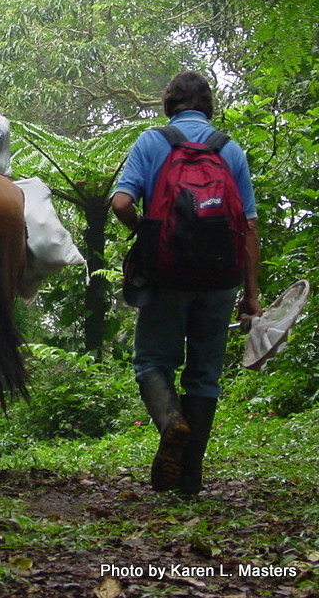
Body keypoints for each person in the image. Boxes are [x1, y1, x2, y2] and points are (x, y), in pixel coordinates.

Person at [110, 71, 261, 495]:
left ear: (169, 105)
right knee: (205, 374)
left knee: (152, 362)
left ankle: (171, 422)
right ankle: (190, 478)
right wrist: (250, 295)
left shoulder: (153, 142)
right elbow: (248, 227)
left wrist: (144, 230)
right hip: (220, 278)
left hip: (166, 273)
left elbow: (121, 201)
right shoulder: (229, 149)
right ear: (208, 107)